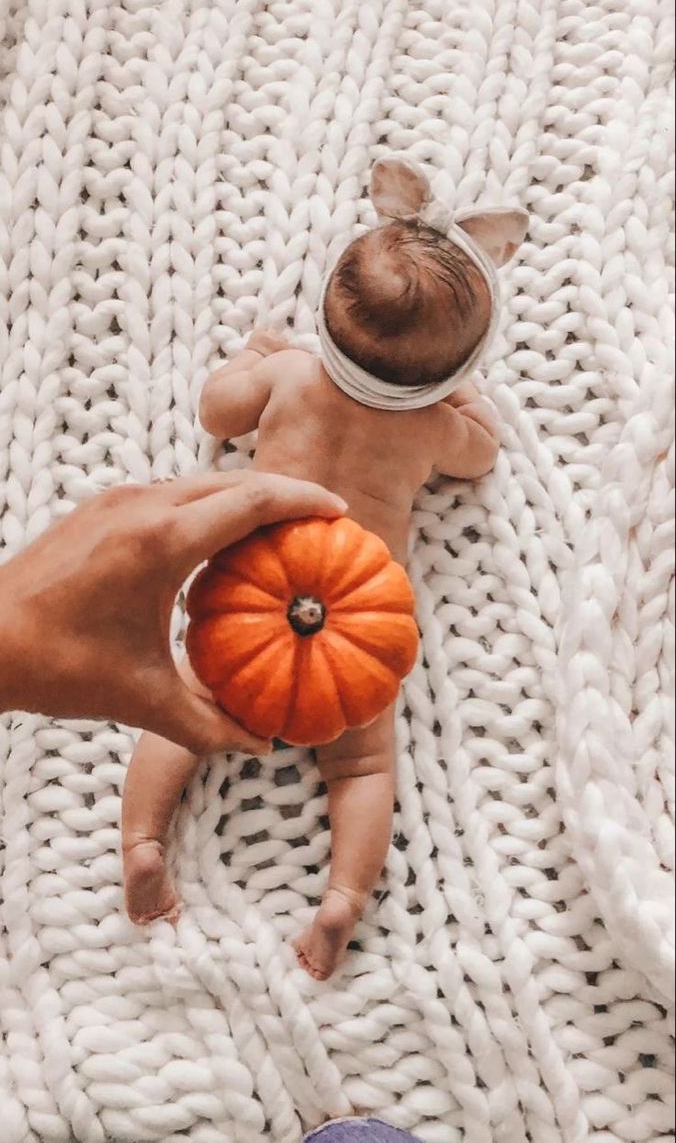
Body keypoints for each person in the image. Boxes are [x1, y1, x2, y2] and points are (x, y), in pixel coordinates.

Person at [120, 155, 528, 980]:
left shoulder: (292, 376)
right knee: (364, 761)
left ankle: (142, 843)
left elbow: (215, 411)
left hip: (255, 585)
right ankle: (340, 898)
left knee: (190, 702)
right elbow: (481, 458)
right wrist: (468, 408)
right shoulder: (429, 430)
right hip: (357, 608)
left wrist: (252, 358)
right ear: (453, 371)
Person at [0, 469, 347, 755]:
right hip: (253, 633)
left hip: (277, 631)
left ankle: (141, 836)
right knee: (363, 763)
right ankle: (141, 835)